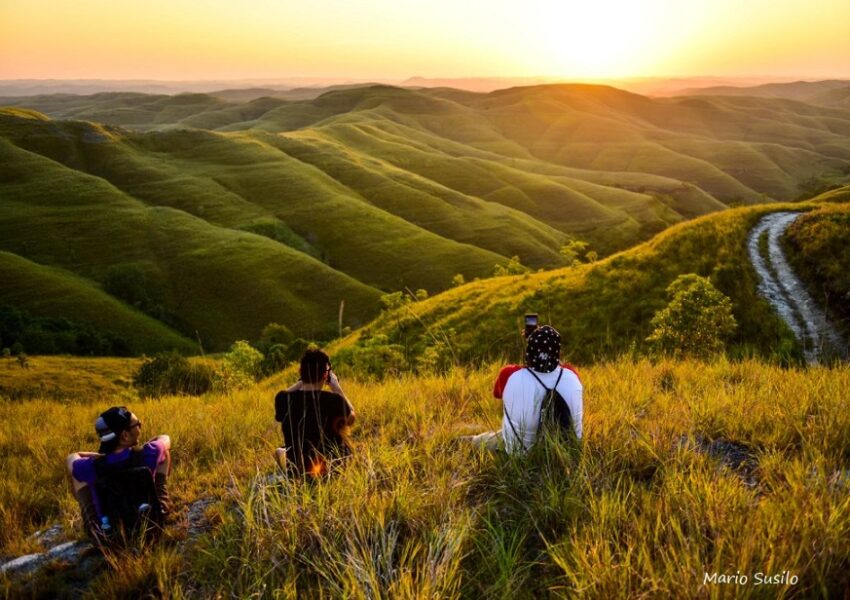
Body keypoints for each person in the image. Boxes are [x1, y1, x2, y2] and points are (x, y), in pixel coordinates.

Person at [468, 325, 583, 452]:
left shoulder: (510, 375)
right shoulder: (572, 376)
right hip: (569, 450)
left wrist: (532, 344)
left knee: (483, 440)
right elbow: (559, 369)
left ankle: (468, 440)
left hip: (520, 453)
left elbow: (497, 394)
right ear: (558, 352)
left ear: (529, 351)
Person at [66, 406, 171, 540]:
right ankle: (161, 503)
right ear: (125, 435)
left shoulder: (91, 466)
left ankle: (94, 524)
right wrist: (150, 444)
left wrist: (99, 456)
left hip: (111, 536)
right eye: (137, 424)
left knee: (77, 474)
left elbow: (71, 457)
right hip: (152, 524)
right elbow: (165, 438)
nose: (140, 425)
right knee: (164, 453)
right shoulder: (149, 453)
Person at [274, 348, 356, 477]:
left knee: (280, 450)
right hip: (332, 468)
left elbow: (286, 393)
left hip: (297, 470)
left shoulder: (283, 399)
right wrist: (336, 387)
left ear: (301, 372)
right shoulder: (334, 400)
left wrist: (304, 379)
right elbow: (351, 418)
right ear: (325, 375)